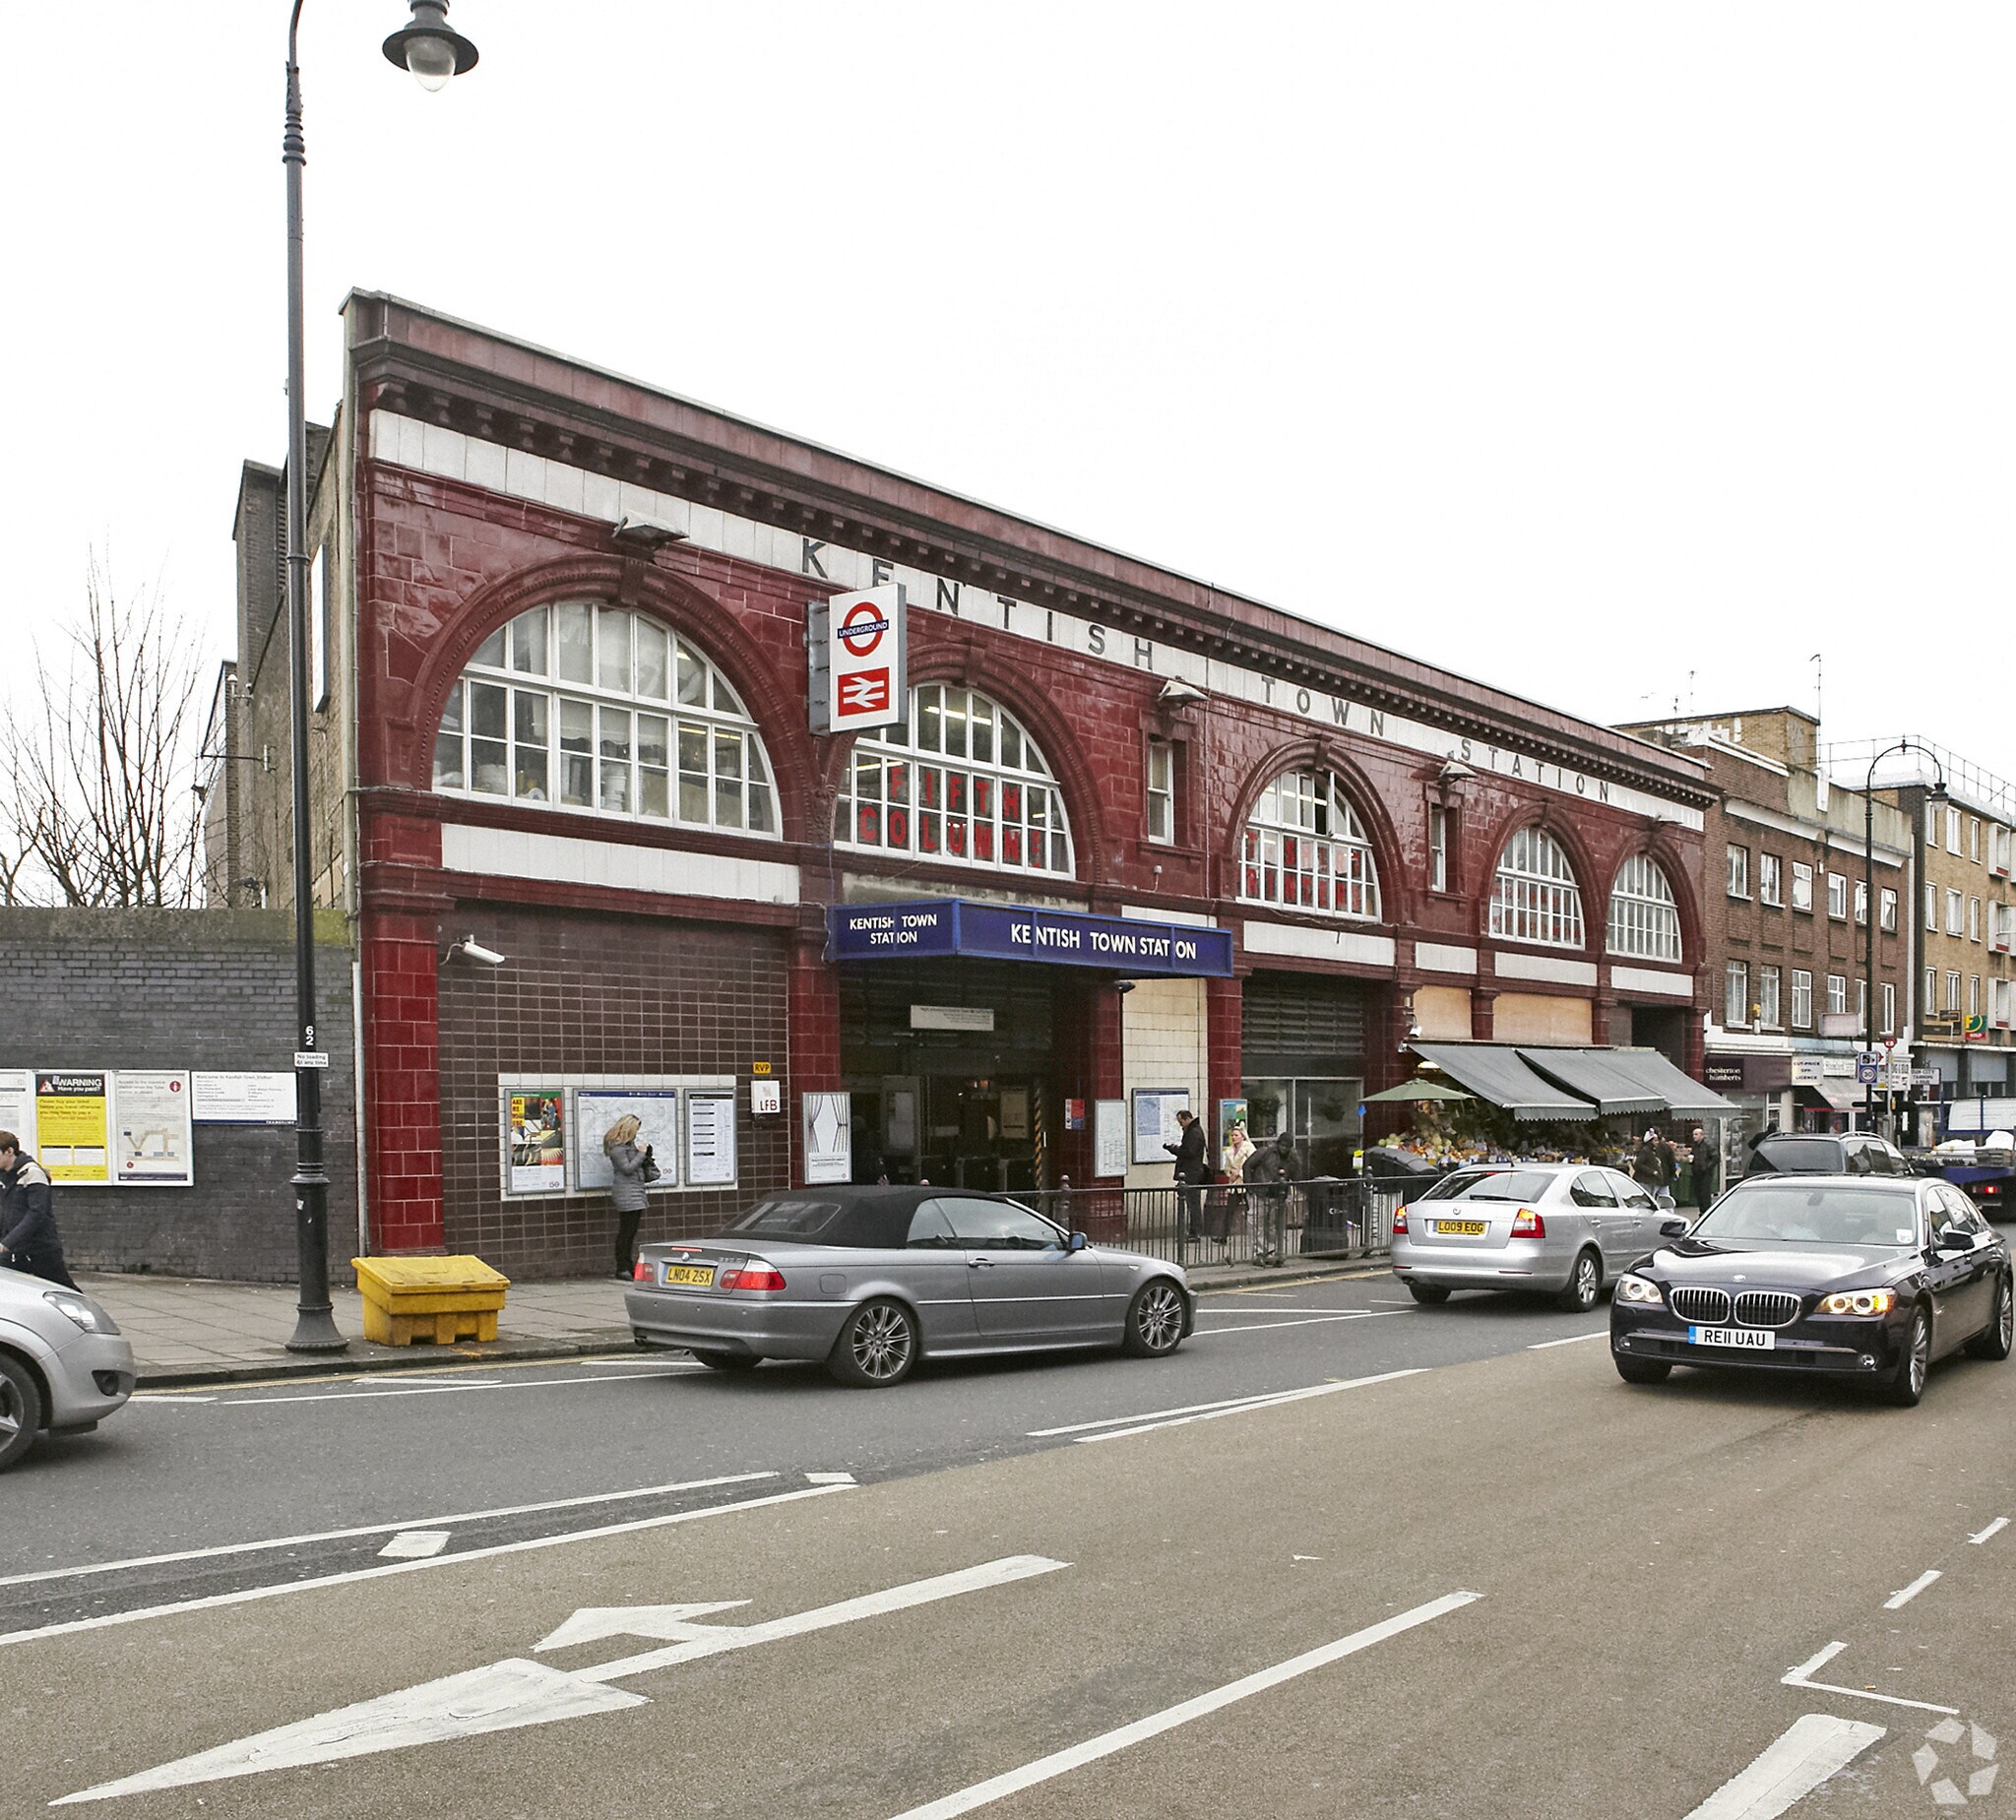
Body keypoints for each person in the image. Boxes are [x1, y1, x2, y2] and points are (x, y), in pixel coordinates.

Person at [0, 1131, 77, 1288]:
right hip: (15, 1250)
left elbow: (37, 1213)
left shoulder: (32, 1173)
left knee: (63, 1289)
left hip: (40, 1248)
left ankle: (83, 1311)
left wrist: (7, 1243)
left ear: (9, 1151)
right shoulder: (4, 1178)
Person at [603, 1114, 654, 1279]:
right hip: (626, 1192)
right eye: (635, 1130)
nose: (636, 1134)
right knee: (626, 1232)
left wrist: (645, 1157)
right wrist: (641, 1154)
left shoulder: (627, 1146)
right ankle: (622, 1267)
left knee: (631, 1232)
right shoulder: (617, 1147)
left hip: (635, 1190)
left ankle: (628, 1266)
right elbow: (627, 1168)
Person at [1242, 1130, 1291, 1266]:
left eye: (1287, 1147)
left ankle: (1270, 1252)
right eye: (1283, 1146)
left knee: (1272, 1226)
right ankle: (1259, 1253)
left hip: (1277, 1196)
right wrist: (1250, 1188)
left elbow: (1291, 1175)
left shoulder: (1290, 1158)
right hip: (1260, 1193)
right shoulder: (1265, 1152)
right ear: (1278, 1144)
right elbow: (1247, 1165)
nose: (1284, 1149)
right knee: (1257, 1225)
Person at [1164, 1108, 1209, 1242]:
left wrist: (1174, 1149)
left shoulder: (1194, 1133)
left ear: (1187, 1119)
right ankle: (1194, 1231)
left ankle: (1195, 1232)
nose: (1180, 1124)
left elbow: (1189, 1152)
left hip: (1191, 1172)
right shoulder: (1194, 1131)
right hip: (1192, 1171)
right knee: (1191, 1203)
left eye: (1181, 1121)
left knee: (1193, 1203)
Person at [1689, 1124, 1719, 1208]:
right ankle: (1701, 1210)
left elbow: (1715, 1157)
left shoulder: (1708, 1145)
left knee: (1705, 1193)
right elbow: (1694, 1156)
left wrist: (1707, 1167)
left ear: (1702, 1135)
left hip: (1706, 1173)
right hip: (1696, 1172)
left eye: (1696, 1134)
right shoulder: (1694, 1146)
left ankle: (1706, 1210)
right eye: (1693, 1134)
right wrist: (1691, 1161)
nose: (1694, 1136)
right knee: (1698, 1193)